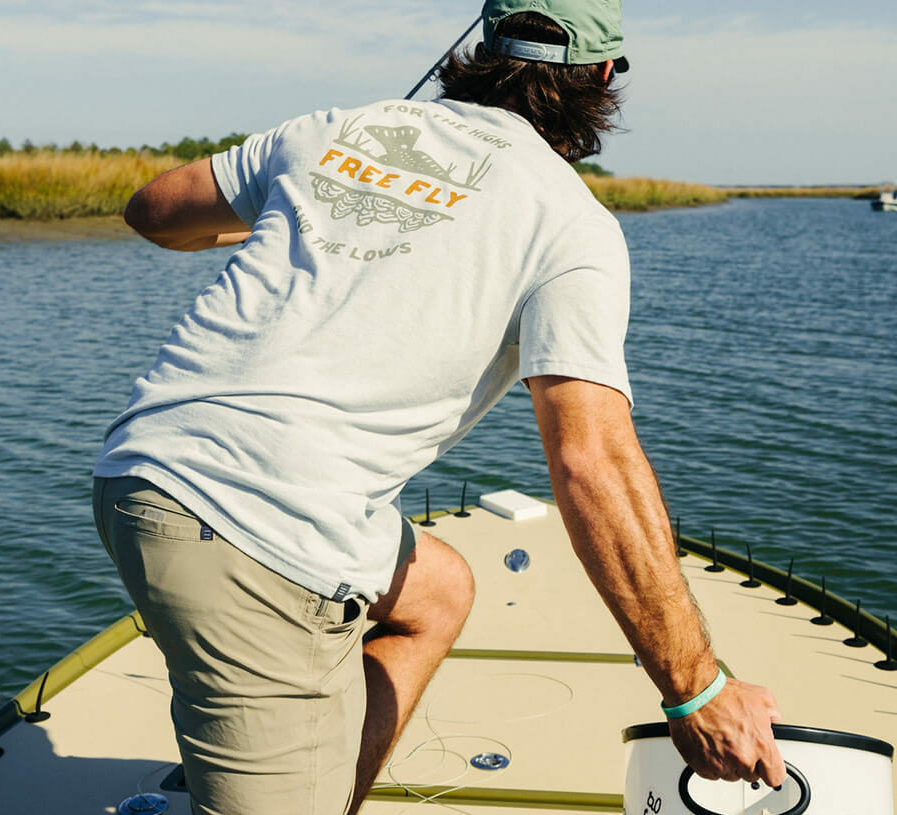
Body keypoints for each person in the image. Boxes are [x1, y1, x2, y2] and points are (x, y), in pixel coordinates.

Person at [92, 1, 785, 812]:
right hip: (260, 535)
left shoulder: (332, 130)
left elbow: (154, 210)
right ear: (602, 76)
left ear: (483, 47)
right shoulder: (573, 223)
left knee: (437, 591)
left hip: (136, 468)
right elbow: (590, 460)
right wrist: (696, 689)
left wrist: (298, 217)